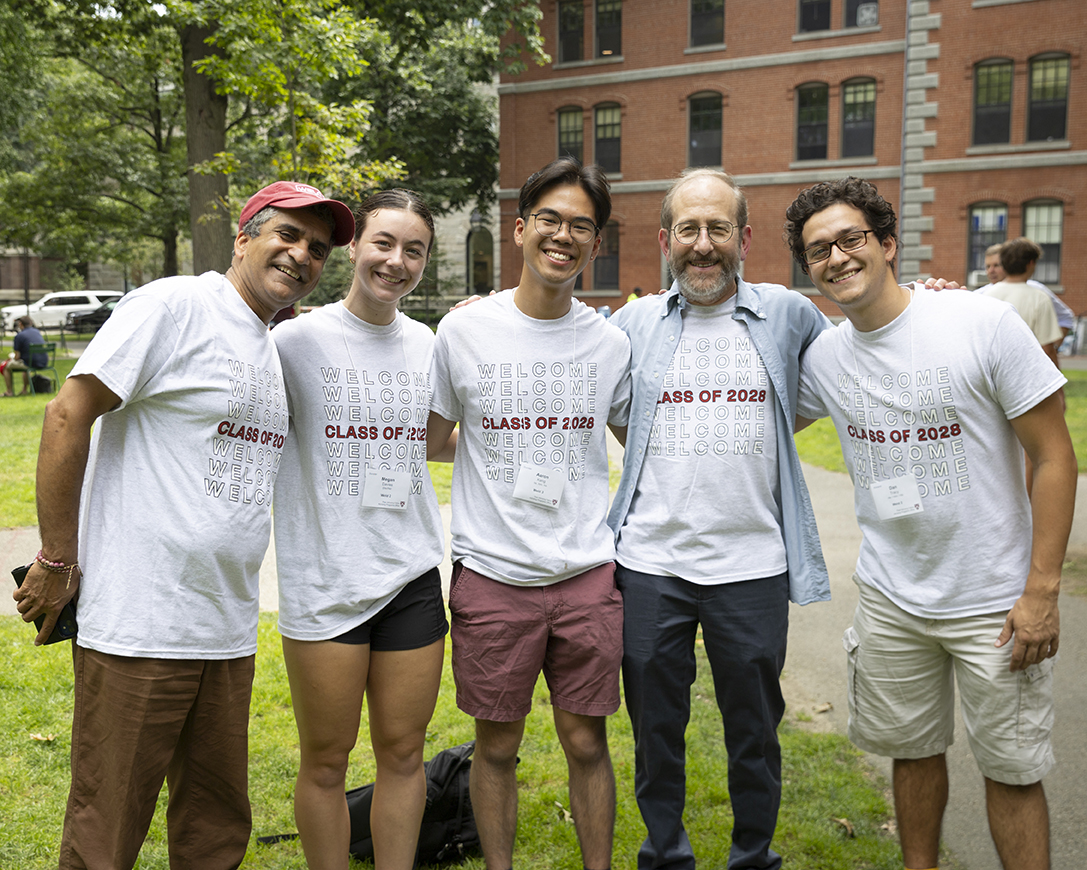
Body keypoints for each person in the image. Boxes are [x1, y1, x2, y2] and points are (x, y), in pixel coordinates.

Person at [13, 180, 354, 870]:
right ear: (244, 235)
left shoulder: (268, 342)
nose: (300, 255)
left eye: (316, 249)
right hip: (141, 624)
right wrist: (56, 558)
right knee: (107, 827)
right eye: (286, 234)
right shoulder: (176, 306)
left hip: (224, 631)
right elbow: (67, 414)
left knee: (214, 828)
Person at [785, 177, 1076, 870]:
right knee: (910, 755)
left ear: (886, 244)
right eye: (817, 249)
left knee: (1010, 768)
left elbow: (1054, 456)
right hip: (892, 600)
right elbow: (745, 408)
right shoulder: (824, 358)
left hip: (995, 602)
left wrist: (1040, 590)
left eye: (850, 239)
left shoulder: (977, 323)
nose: (836, 257)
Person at [606, 167, 831, 870]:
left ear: (744, 237)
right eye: (689, 229)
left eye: (718, 229)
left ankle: (751, 857)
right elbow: (618, 414)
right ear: (665, 239)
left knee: (755, 731)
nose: (703, 245)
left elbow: (848, 364)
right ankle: (665, 854)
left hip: (753, 566)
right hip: (649, 567)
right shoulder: (632, 323)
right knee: (654, 730)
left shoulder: (790, 314)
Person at [426, 157, 631, 870]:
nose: (563, 235)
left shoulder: (610, 343)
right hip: (492, 573)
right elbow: (432, 438)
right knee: (497, 746)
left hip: (584, 575)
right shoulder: (463, 331)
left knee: (586, 741)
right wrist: (498, 455)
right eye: (549, 219)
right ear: (519, 229)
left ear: (595, 244)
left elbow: (635, 444)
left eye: (581, 225)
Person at [271, 190, 455, 870]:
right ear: (355, 246)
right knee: (325, 759)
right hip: (325, 581)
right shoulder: (294, 342)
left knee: (404, 754)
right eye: (383, 243)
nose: (395, 261)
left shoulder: (430, 346)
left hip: (409, 576)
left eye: (414, 250)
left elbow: (437, 440)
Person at [977, 238, 1062, 367]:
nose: (991, 270)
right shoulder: (1039, 298)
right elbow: (1047, 350)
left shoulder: (984, 297)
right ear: (1031, 263)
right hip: (1025, 372)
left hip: (992, 372)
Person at [2, 315, 48, 396]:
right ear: (30, 323)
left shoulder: (19, 336)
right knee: (25, 365)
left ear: (20, 324)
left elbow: (17, 357)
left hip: (29, 363)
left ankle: (9, 391)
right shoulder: (37, 332)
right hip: (43, 362)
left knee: (5, 367)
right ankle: (24, 390)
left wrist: (12, 357)